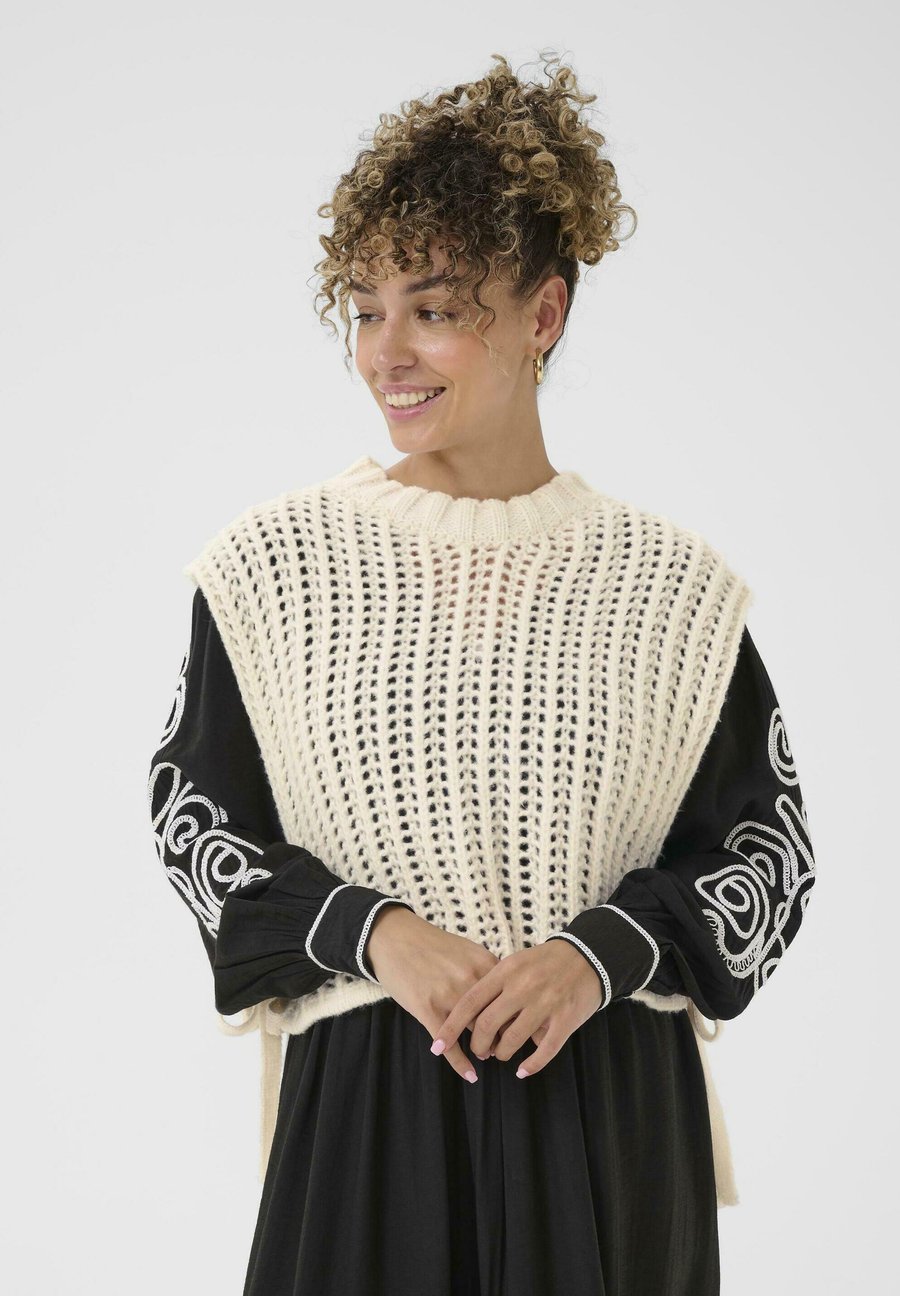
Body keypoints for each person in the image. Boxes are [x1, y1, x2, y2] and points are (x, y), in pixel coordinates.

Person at [147, 52, 816, 1296]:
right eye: (365, 309)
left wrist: (602, 953)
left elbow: (767, 856)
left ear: (542, 315)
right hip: (369, 1129)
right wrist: (374, 934)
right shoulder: (274, 571)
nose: (386, 353)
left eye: (436, 308)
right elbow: (199, 828)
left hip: (611, 1125)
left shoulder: (671, 592)